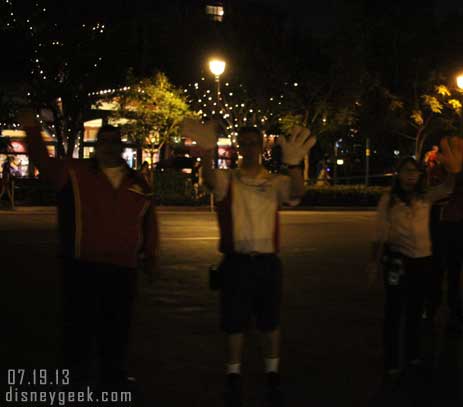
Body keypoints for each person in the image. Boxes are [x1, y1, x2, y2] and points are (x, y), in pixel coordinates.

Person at [182, 118, 316, 407]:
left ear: (262, 145)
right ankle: (233, 377)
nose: (249, 148)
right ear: (239, 147)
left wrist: (294, 165)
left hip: (267, 262)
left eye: (254, 142)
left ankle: (272, 375)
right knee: (234, 324)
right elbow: (207, 179)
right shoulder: (227, 179)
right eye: (244, 143)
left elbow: (297, 193)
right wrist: (206, 152)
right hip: (236, 263)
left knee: (270, 323)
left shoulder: (275, 182)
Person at [23, 113, 159, 392]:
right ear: (97, 147)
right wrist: (31, 127)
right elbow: (41, 160)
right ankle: (76, 377)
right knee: (78, 326)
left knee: (118, 327)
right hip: (82, 264)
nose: (109, 146)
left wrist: (150, 255)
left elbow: (149, 221)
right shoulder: (74, 173)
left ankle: (113, 375)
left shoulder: (139, 183)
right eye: (104, 141)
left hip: (123, 268)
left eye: (114, 141)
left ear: (122, 146)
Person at [366, 137, 463, 385]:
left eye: (415, 172)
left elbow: (448, 188)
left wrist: (454, 170)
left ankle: (411, 356)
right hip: (397, 261)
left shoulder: (425, 197)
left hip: (422, 261)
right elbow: (378, 233)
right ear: (398, 174)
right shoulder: (389, 199)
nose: (411, 176)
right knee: (393, 312)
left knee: (414, 311)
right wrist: (372, 264)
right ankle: (391, 361)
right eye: (406, 171)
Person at [428, 144, 463, 329]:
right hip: (437, 228)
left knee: (454, 273)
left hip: (458, 226)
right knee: (436, 272)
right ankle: (432, 309)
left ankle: (453, 311)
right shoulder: (435, 172)